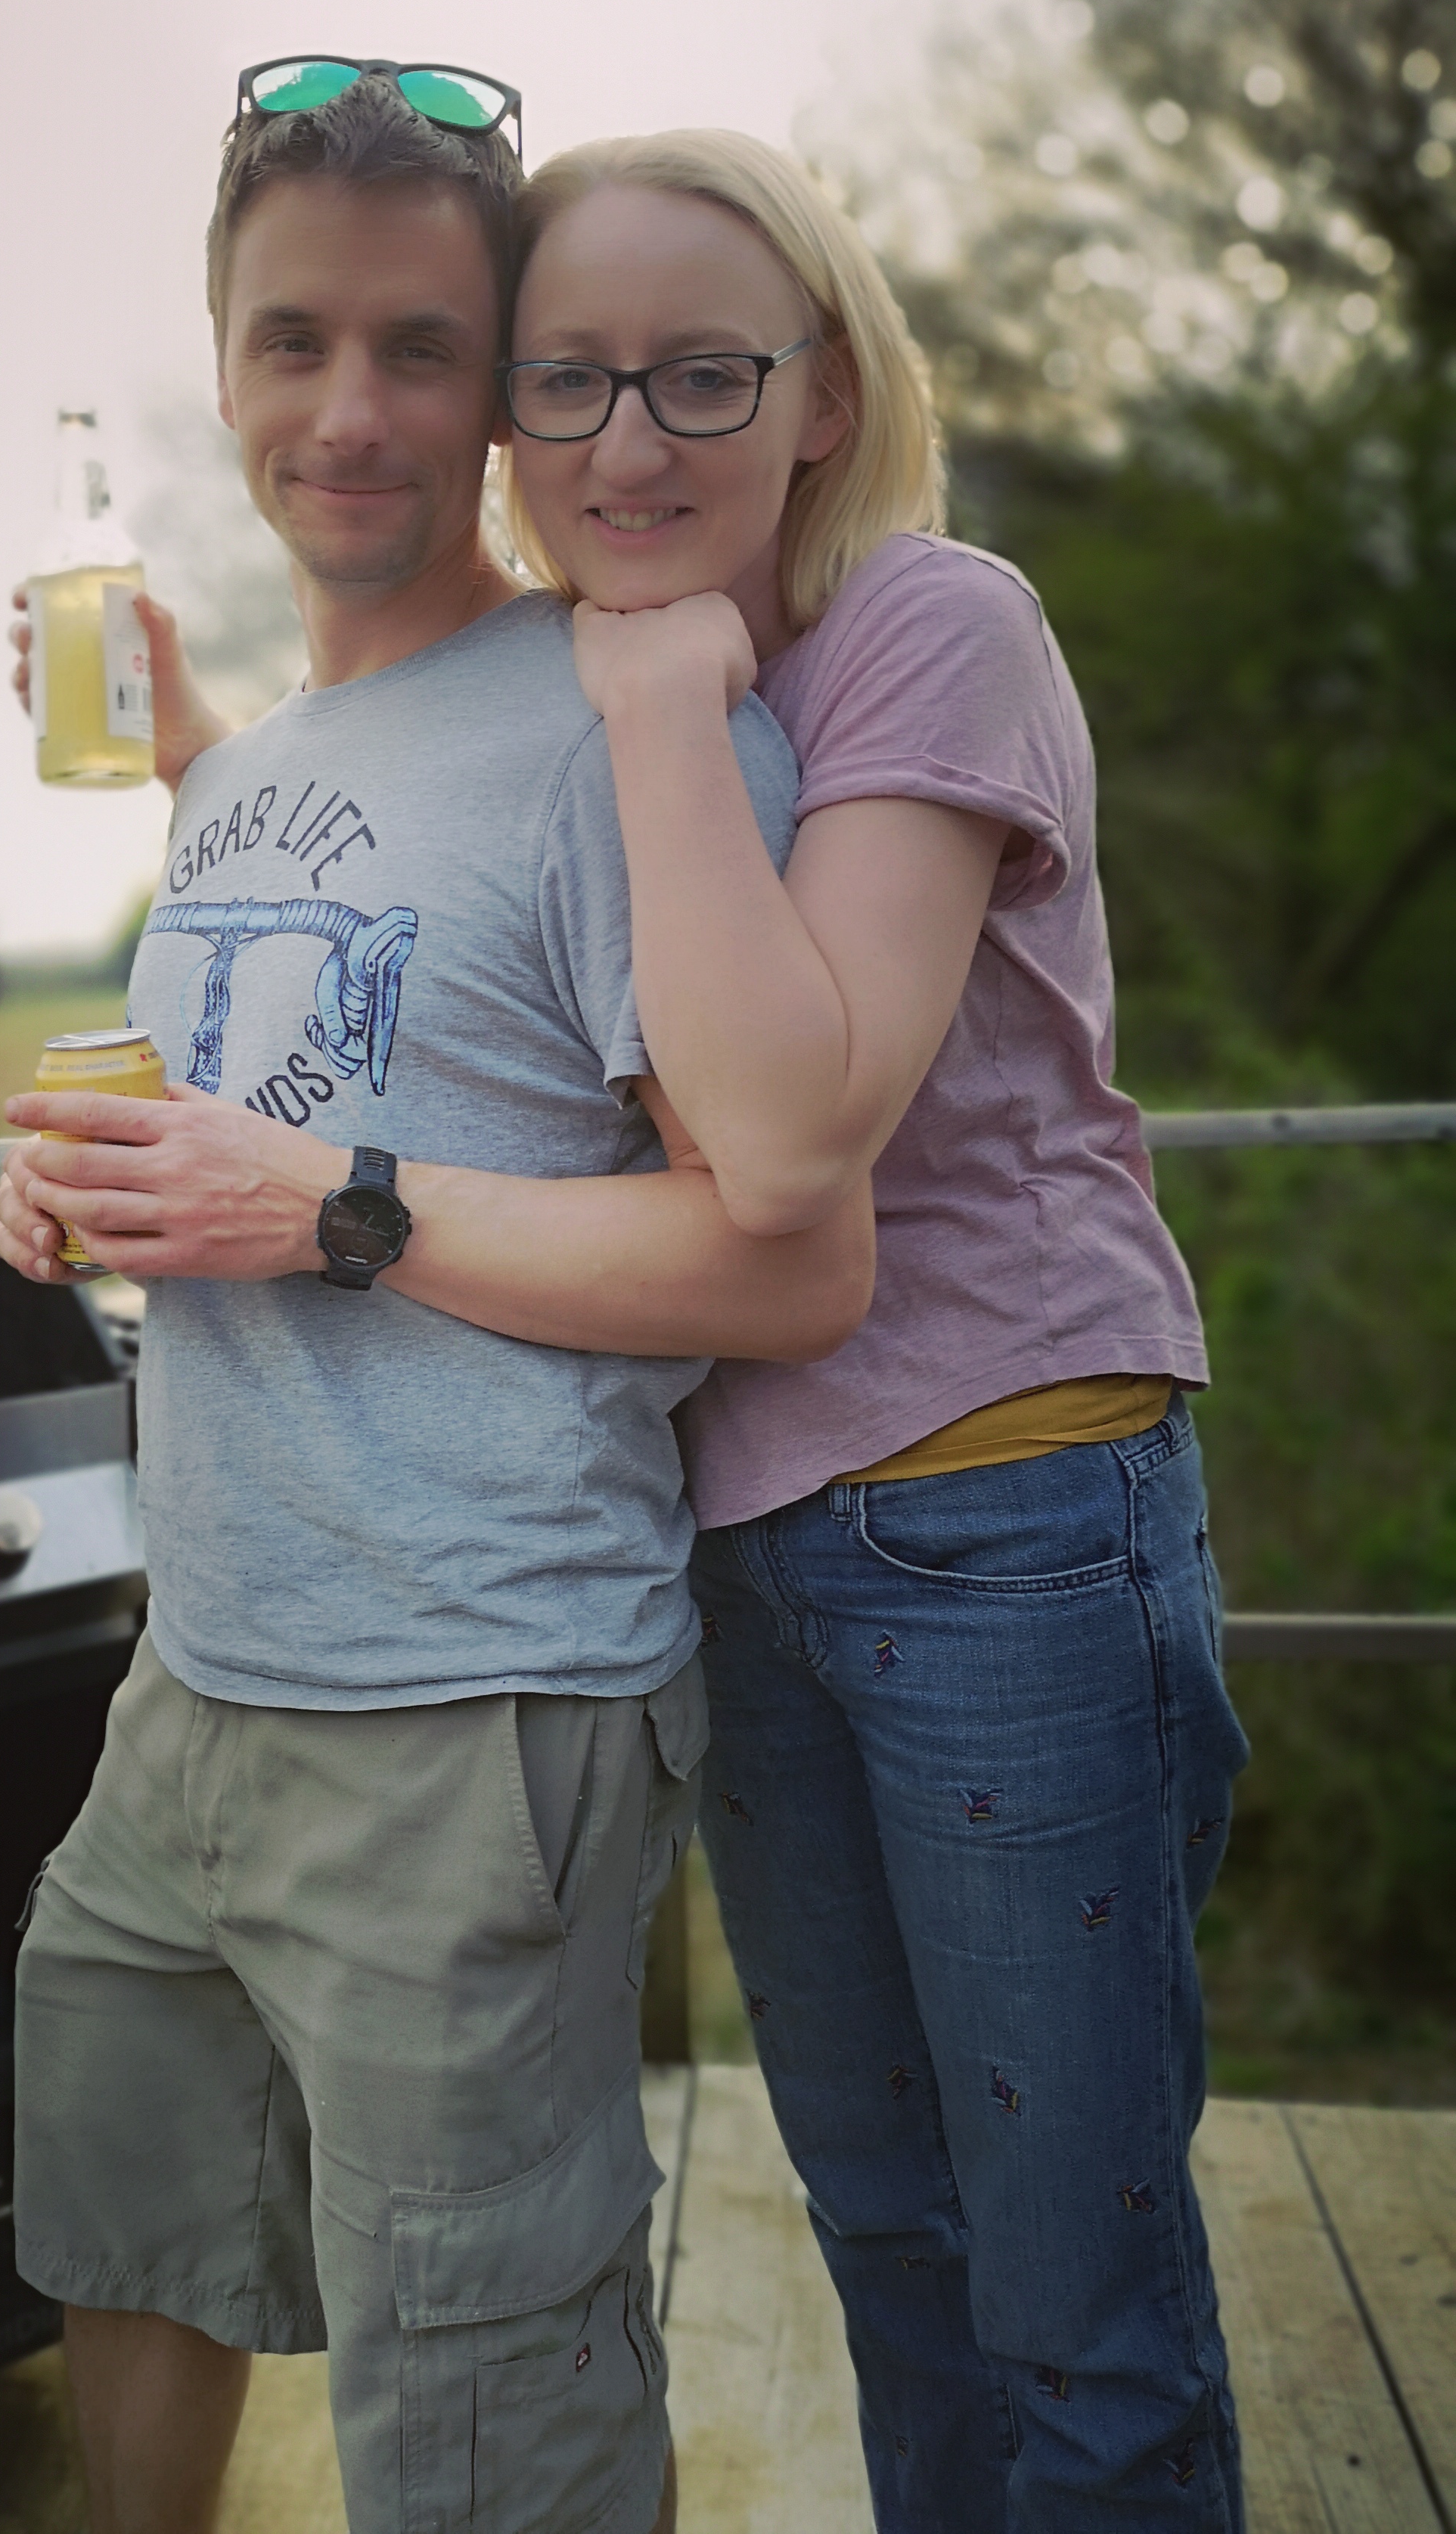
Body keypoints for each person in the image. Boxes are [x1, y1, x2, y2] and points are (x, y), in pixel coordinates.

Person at [0, 66, 873, 2534]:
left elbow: (778, 1249)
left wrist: (325, 1210)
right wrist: (76, 1194)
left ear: (504, 387)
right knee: (126, 2220)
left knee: (489, 2398)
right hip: (201, 1665)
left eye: (419, 348)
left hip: (472, 1696)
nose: (351, 412)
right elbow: (261, 1124)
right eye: (294, 343)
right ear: (221, 363)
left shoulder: (625, 724)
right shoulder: (253, 764)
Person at [496, 129, 1249, 2534]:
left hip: (1008, 1508)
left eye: (702, 376)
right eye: (568, 379)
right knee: (895, 2243)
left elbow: (794, 1124)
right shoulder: (569, 683)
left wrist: (655, 711)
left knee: (1074, 2299)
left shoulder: (929, 621)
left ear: (823, 394)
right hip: (740, 1543)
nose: (630, 440)